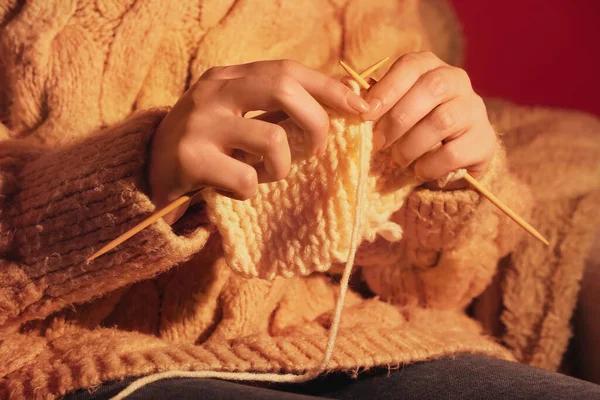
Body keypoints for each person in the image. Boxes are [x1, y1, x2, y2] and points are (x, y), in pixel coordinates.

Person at [0, 0, 598, 399]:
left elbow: (440, 286)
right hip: (76, 355)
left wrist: (442, 175)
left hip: (340, 334)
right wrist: (135, 176)